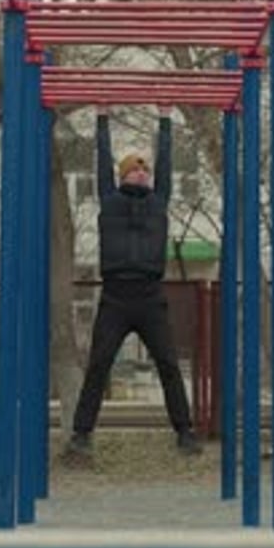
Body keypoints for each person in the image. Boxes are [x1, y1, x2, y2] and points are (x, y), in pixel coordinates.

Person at [64, 104, 202, 461]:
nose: (142, 173)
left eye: (145, 170)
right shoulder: (109, 201)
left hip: (150, 296)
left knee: (168, 364)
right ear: (123, 176)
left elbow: (166, 166)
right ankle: (81, 434)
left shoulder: (158, 202)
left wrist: (166, 120)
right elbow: (101, 164)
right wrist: (102, 119)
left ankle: (185, 432)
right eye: (135, 169)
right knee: (99, 364)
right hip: (115, 296)